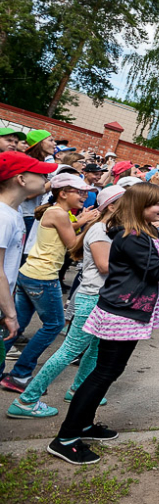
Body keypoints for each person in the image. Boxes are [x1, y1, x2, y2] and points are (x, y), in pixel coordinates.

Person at [46, 183, 159, 465]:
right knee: (102, 374)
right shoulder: (131, 236)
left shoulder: (144, 231)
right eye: (155, 204)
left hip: (130, 312)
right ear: (138, 206)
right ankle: (66, 438)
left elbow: (152, 263)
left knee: (109, 371)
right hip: (121, 313)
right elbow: (156, 270)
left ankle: (84, 425)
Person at [7, 186, 126, 418]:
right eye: (127, 201)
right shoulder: (100, 230)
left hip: (101, 298)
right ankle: (26, 401)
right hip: (91, 298)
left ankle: (77, 388)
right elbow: (104, 267)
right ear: (112, 206)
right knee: (69, 350)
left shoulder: (107, 229)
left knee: (94, 348)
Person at [0, 174, 98, 393]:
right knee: (54, 325)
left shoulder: (57, 212)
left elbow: (69, 231)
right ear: (63, 193)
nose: (85, 196)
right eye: (79, 192)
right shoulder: (60, 213)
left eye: (85, 192)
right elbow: (74, 248)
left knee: (15, 326)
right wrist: (90, 227)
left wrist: (80, 222)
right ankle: (20, 374)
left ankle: (5, 371)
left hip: (30, 273)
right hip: (43, 277)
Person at [0, 153, 58, 386]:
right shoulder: (3, 217)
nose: (46, 178)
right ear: (21, 179)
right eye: (41, 173)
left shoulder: (11, 214)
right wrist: (11, 314)